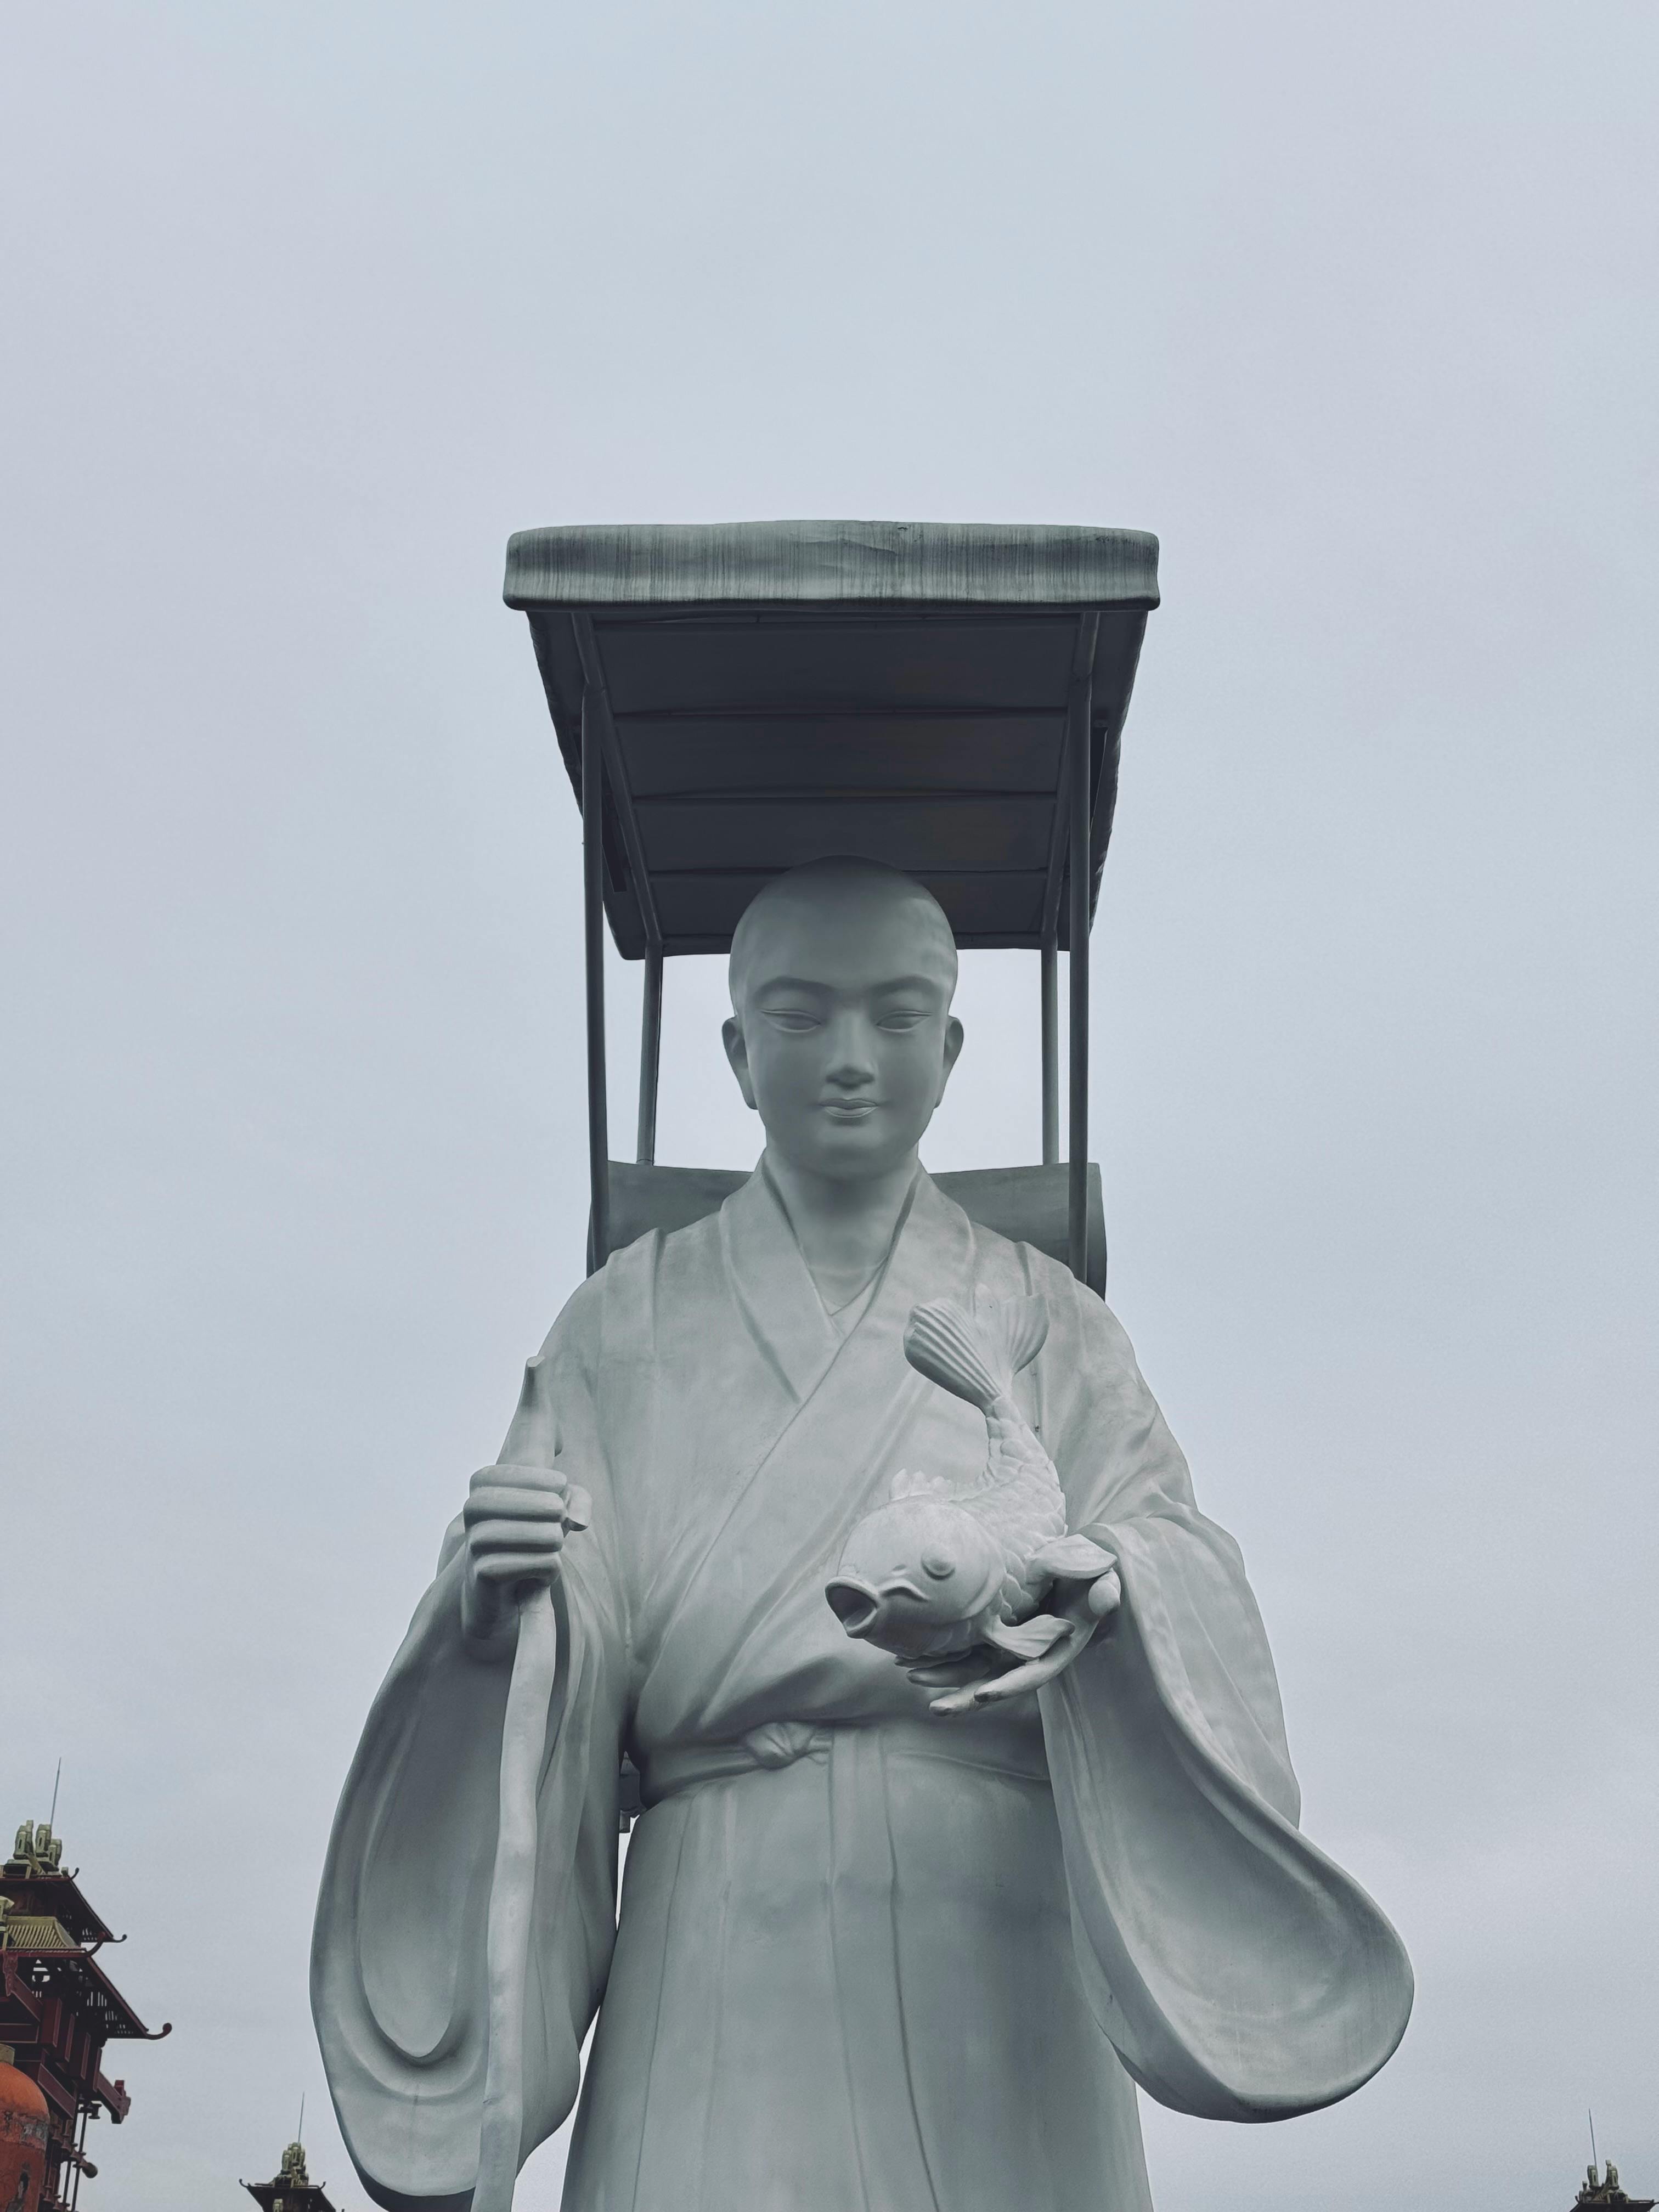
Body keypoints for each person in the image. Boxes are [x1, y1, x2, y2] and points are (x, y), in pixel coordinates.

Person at [312, 857, 1412, 2212]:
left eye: (896, 1018)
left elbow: (1172, 1545)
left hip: (991, 1915)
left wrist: (1118, 1589)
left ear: (949, 1048)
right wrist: (497, 1609)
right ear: (734, 1047)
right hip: (721, 1904)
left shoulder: (1045, 1314)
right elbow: (571, 1615)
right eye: (799, 1016)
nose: (849, 1059)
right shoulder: (623, 1322)